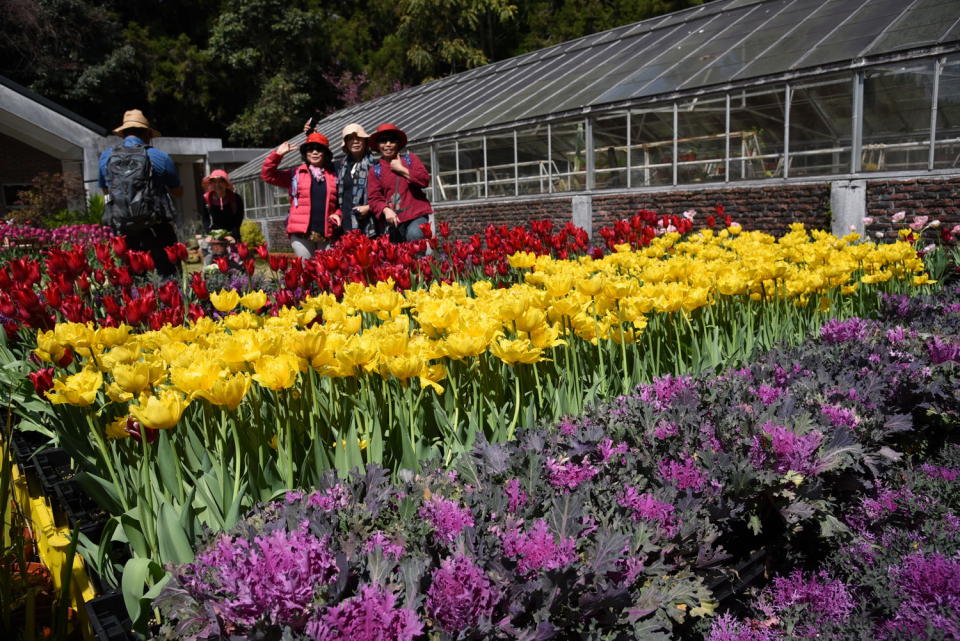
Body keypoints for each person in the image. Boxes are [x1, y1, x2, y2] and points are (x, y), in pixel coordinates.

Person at [98, 109, 182, 276]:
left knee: (134, 281)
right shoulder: (160, 156)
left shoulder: (106, 157)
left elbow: (106, 190)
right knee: (168, 278)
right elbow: (177, 191)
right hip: (157, 229)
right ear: (147, 134)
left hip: (125, 232)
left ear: (123, 135)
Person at [260, 131, 341, 259]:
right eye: (310, 149)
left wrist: (338, 214)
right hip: (301, 235)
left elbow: (340, 202)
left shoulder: (334, 176)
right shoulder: (295, 174)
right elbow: (267, 175)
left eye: (319, 149)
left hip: (327, 233)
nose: (314, 152)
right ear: (305, 153)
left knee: (326, 274)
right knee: (307, 271)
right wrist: (277, 155)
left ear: (325, 153)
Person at [367, 123, 432, 243]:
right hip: (394, 220)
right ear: (377, 145)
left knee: (415, 236)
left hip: (416, 214)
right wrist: (386, 210)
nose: (388, 144)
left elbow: (424, 180)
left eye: (392, 140)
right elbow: (374, 198)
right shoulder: (375, 170)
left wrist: (401, 169)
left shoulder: (410, 159)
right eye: (383, 141)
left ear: (398, 144)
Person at [333, 123, 381, 238]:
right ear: (346, 144)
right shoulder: (339, 167)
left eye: (358, 138)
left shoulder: (376, 165)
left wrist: (369, 207)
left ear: (365, 141)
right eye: (350, 139)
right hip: (346, 222)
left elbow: (385, 194)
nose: (355, 142)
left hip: (371, 223)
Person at [199, 169, 244, 265]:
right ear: (211, 184)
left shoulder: (236, 199)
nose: (217, 185)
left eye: (220, 182)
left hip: (232, 232)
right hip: (215, 234)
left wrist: (233, 236)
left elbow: (238, 220)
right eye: (214, 182)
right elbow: (205, 219)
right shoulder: (206, 199)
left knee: (235, 264)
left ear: (226, 183)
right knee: (211, 262)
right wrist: (209, 234)